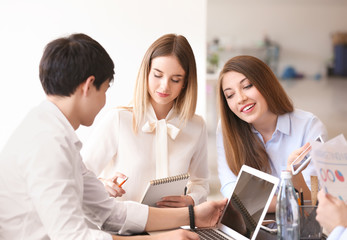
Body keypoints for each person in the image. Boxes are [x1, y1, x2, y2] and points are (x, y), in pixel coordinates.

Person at [0, 33, 227, 240]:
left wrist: (193, 215)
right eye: (106, 89)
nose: (106, 101)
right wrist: (160, 239)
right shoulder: (48, 143)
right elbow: (72, 236)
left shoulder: (56, 135)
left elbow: (111, 212)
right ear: (90, 86)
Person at [83, 33, 209, 207]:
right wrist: (103, 184)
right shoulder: (119, 119)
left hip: (172, 227)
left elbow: (201, 183)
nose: (165, 86)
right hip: (123, 227)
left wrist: (190, 199)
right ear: (147, 73)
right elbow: (79, 176)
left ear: (185, 82)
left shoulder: (196, 126)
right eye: (158, 75)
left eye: (175, 79)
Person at [216, 55, 327, 212]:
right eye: (230, 95)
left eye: (247, 86)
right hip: (249, 230)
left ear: (266, 84)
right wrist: (287, 201)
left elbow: (310, 203)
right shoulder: (227, 128)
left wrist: (294, 176)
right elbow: (230, 190)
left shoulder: (309, 127)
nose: (240, 98)